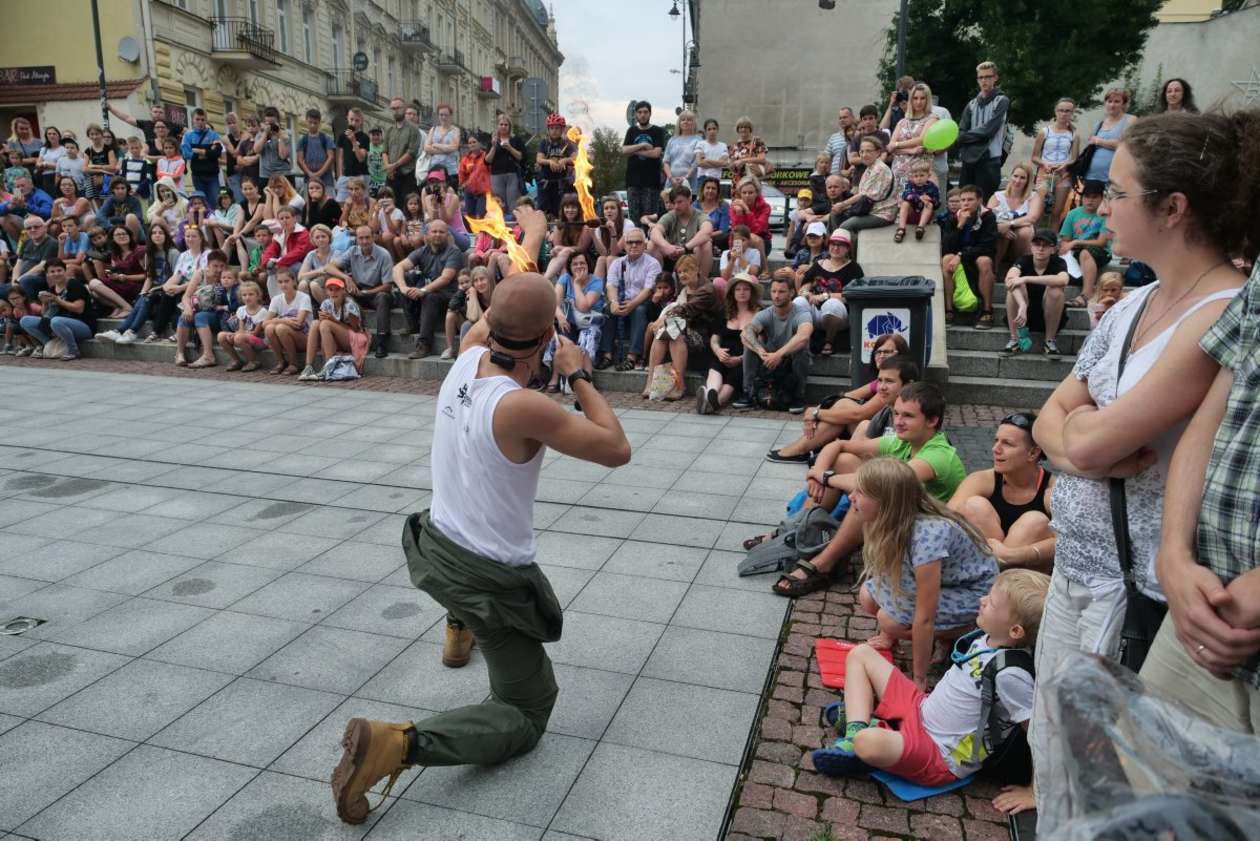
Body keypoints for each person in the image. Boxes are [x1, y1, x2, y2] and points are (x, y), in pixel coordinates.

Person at [329, 268, 632, 825]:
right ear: (547, 338)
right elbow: (616, 448)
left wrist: (532, 249)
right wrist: (578, 374)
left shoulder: (466, 356)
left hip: (435, 543)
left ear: (490, 321)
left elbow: (507, 311)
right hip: (483, 575)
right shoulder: (522, 406)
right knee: (527, 710)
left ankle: (457, 630)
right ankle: (396, 744)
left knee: (469, 567)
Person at [1027, 110, 1251, 832]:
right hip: (1078, 568)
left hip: (1134, 586)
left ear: (1172, 208)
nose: (1101, 206)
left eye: (1118, 193)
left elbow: (1084, 440)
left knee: (1118, 785)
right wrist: (1079, 442)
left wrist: (1080, 442)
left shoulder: (1220, 308)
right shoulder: (1137, 304)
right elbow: (1049, 418)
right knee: (1055, 750)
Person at [814, 566, 1044, 791]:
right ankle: (857, 733)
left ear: (1015, 631)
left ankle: (869, 732)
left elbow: (1038, 735)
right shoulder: (988, 637)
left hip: (937, 752)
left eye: (992, 602)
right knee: (860, 654)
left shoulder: (1011, 674)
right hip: (921, 707)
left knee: (869, 742)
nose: (983, 600)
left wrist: (1034, 793)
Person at [768, 383, 966, 597]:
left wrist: (825, 478)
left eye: (907, 416)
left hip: (930, 531)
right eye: (896, 413)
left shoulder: (937, 455)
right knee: (844, 461)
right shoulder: (904, 442)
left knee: (870, 495)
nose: (898, 421)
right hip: (905, 514)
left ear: (932, 420)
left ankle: (825, 563)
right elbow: (838, 445)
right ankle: (798, 531)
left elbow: (880, 485)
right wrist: (819, 470)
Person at [767, 333, 910, 463]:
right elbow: (846, 396)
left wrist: (817, 413)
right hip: (877, 435)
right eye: (878, 351)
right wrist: (816, 410)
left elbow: (859, 414)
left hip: (890, 440)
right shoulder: (880, 381)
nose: (881, 355)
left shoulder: (898, 385)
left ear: (901, 355)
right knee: (843, 403)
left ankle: (803, 449)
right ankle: (806, 448)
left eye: (888, 352)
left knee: (849, 411)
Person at [950, 414, 1055, 571]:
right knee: (974, 506)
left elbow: (1071, 542)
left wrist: (1012, 555)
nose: (995, 449)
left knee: (1034, 521)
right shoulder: (982, 480)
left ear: (1033, 453)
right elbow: (945, 519)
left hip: (1025, 580)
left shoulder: (1054, 490)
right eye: (996, 440)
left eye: (1008, 444)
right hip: (985, 566)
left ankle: (995, 581)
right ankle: (994, 582)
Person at [639, 255, 721, 401]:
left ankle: (679, 386)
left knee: (674, 335)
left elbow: (685, 309)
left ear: (697, 270)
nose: (682, 274)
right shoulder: (685, 289)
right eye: (680, 271)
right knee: (662, 335)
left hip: (705, 338)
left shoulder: (707, 290)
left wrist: (664, 318)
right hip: (686, 330)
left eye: (686, 271)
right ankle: (650, 383)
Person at [735, 271, 813, 413]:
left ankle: (798, 396)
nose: (776, 296)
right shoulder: (766, 313)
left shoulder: (802, 313)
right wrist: (760, 351)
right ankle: (748, 393)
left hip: (790, 360)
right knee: (749, 345)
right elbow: (746, 333)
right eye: (773, 291)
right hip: (768, 361)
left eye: (782, 292)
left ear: (791, 293)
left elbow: (804, 336)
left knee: (802, 349)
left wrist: (779, 355)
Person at [392, 219, 466, 359]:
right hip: (429, 293)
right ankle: (413, 324)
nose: (437, 234)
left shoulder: (454, 252)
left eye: (441, 232)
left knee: (430, 296)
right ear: (427, 234)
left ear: (447, 235)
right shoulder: (423, 251)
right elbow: (398, 267)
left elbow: (446, 278)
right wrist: (403, 288)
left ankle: (424, 345)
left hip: (450, 297)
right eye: (434, 231)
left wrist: (423, 290)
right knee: (405, 278)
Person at [323, 225, 395, 358]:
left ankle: (382, 341)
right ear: (356, 239)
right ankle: (348, 334)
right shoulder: (352, 251)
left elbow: (388, 285)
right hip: (358, 290)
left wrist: (367, 293)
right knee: (332, 282)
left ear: (373, 237)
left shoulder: (384, 254)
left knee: (383, 297)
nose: (364, 241)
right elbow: (328, 267)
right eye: (361, 238)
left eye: (367, 237)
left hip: (377, 291)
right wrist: (345, 277)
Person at [596, 226, 662, 371]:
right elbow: (611, 285)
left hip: (644, 304)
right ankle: (607, 355)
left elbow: (649, 289)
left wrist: (632, 304)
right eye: (630, 242)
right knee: (607, 310)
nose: (633, 245)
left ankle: (632, 356)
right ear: (624, 245)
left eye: (638, 242)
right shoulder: (617, 263)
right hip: (621, 301)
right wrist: (613, 303)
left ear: (645, 245)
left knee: (639, 310)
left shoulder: (652, 264)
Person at [699, 272, 761, 414]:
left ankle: (713, 403)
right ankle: (710, 394)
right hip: (722, 356)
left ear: (752, 292)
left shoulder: (759, 314)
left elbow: (760, 344)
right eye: (738, 289)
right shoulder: (725, 312)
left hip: (743, 361)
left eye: (746, 289)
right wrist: (718, 351)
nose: (742, 293)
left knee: (733, 378)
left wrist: (739, 359)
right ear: (732, 293)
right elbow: (714, 338)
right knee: (715, 367)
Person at [1003, 229, 1069, 356]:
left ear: (1053, 249)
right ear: (1031, 246)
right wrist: (1022, 305)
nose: (1040, 248)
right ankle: (1014, 339)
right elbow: (1009, 280)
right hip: (1021, 317)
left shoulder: (1058, 262)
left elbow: (1063, 280)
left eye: (1045, 245)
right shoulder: (1023, 260)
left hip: (1049, 318)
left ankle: (1049, 341)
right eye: (1037, 244)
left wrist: (1026, 278)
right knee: (1014, 287)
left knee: (1055, 289)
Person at [797, 229, 862, 355]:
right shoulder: (818, 264)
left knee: (832, 304)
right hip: (815, 312)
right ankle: (800, 340)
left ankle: (829, 341)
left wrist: (824, 296)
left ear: (847, 249)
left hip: (839, 316)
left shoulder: (854, 268)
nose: (836, 248)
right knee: (799, 301)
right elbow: (805, 286)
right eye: (833, 244)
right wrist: (806, 294)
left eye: (840, 245)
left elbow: (851, 295)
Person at [942, 184, 998, 327]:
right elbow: (947, 247)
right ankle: (949, 310)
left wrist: (961, 255)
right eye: (963, 200)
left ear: (979, 200)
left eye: (970, 199)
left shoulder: (988, 217)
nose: (966, 203)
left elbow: (987, 246)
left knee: (984, 261)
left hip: (976, 257)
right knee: (947, 259)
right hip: (958, 261)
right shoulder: (953, 218)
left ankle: (987, 311)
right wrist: (960, 225)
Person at [18, 259, 96, 360]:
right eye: (52, 272)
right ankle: (49, 345)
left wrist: (57, 300)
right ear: (47, 274)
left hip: (84, 326)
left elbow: (79, 309)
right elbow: (44, 315)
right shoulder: (52, 289)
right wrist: (44, 302)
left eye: (59, 270)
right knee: (25, 320)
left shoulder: (74, 284)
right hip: (59, 325)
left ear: (65, 271)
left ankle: (73, 351)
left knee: (56, 321)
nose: (56, 274)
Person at [956, 63, 1010, 200]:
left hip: (990, 159)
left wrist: (965, 137)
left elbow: (989, 130)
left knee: (985, 203)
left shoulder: (1001, 100)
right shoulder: (971, 104)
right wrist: (965, 137)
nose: (984, 81)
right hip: (969, 159)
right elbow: (960, 132)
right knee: (965, 201)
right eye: (980, 77)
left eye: (988, 77)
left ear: (995, 77)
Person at [299, 276, 363, 380]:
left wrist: (333, 320)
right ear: (326, 291)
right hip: (335, 337)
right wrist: (323, 320)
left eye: (337, 289)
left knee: (325, 324)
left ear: (343, 290)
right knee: (315, 323)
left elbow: (355, 330)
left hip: (354, 339)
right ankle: (308, 366)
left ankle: (329, 367)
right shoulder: (326, 303)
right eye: (330, 289)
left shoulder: (350, 304)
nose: (334, 292)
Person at [175, 248, 229, 368]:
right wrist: (188, 308)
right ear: (208, 264)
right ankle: (180, 353)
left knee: (200, 316)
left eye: (222, 266)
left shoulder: (226, 276)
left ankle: (208, 356)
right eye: (215, 266)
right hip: (198, 309)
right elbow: (186, 296)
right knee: (184, 316)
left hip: (217, 315)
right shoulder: (200, 273)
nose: (219, 269)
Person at [834, 135, 897, 237]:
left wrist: (843, 204)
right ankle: (832, 247)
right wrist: (842, 206)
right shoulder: (870, 168)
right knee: (834, 215)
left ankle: (849, 252)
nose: (864, 154)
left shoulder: (879, 169)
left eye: (868, 151)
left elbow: (863, 195)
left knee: (846, 226)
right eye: (862, 151)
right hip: (869, 210)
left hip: (882, 214)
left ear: (877, 152)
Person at [1059, 180, 1111, 305]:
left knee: (1085, 253)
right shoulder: (1072, 214)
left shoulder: (1105, 215)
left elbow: (1101, 242)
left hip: (1100, 252)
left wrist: (1076, 241)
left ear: (1102, 198)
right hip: (1075, 252)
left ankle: (1086, 294)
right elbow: (1065, 242)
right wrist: (1068, 246)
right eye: (1087, 197)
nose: (1090, 200)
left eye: (1094, 197)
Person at [1031, 98, 1079, 229]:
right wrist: (1044, 164)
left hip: (1063, 174)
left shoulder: (1074, 134)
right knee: (1037, 210)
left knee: (1057, 212)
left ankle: (1052, 241)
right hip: (1045, 173)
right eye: (1061, 110)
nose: (1064, 114)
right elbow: (1034, 156)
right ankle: (1032, 240)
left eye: (1068, 111)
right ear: (1055, 111)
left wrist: (1065, 165)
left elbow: (1074, 158)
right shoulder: (1044, 132)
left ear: (1072, 113)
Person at [649, 184, 714, 277]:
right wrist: (666, 246)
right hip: (671, 253)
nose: (676, 206)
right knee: (652, 244)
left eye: (680, 202)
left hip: (692, 254)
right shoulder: (670, 216)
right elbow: (655, 232)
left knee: (706, 245)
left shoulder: (701, 216)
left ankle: (701, 282)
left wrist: (685, 248)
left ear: (689, 199)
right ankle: (659, 281)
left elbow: (707, 232)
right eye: (674, 203)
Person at [888, 83, 939, 196]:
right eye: (915, 98)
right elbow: (890, 147)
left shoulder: (932, 118)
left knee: (919, 205)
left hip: (920, 172)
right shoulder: (903, 121)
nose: (918, 102)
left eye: (922, 98)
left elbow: (921, 140)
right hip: (899, 172)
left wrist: (897, 144)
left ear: (927, 100)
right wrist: (910, 150)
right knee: (898, 208)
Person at [622, 101, 665, 230]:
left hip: (651, 182)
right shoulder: (632, 130)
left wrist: (634, 150)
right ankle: (634, 243)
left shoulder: (657, 131)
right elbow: (624, 150)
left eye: (645, 112)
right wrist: (643, 145)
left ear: (650, 113)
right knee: (634, 219)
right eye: (640, 112)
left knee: (649, 217)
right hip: (633, 182)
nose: (643, 115)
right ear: (636, 115)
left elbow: (656, 153)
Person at [263, 269, 313, 375]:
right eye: (280, 282)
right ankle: (281, 362)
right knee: (269, 328)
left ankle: (294, 363)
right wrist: (282, 320)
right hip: (286, 337)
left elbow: (298, 323)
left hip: (305, 337)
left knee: (280, 328)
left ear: (294, 281)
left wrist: (277, 320)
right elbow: (265, 323)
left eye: (286, 281)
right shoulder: (276, 299)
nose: (283, 284)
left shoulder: (304, 297)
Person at [217, 279, 270, 371]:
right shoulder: (241, 310)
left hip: (260, 341)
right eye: (244, 295)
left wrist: (237, 335)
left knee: (238, 338)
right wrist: (234, 334)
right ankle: (236, 361)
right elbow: (241, 329)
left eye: (251, 294)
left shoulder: (262, 312)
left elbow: (255, 333)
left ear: (258, 296)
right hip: (244, 337)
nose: (247, 297)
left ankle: (253, 361)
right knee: (221, 336)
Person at [1, 214, 58, 300]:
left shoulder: (52, 243)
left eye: (36, 227)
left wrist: (19, 280)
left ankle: (31, 306)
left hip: (38, 279)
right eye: (29, 228)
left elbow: (42, 266)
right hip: (20, 280)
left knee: (26, 281)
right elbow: (18, 264)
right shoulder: (26, 242)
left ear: (44, 228)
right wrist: (14, 281)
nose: (33, 230)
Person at [446, 266, 494, 359]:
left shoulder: (497, 293)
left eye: (482, 279)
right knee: (467, 325)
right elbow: (473, 317)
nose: (479, 283)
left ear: (489, 279)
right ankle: (463, 357)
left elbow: (487, 323)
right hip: (482, 331)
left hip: (496, 331)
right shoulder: (472, 294)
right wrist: (473, 295)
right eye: (475, 281)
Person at [535, 113, 577, 220]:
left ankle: (559, 231)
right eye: (552, 128)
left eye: (557, 128)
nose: (554, 131)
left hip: (560, 183)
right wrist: (549, 162)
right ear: (548, 129)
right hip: (545, 182)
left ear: (562, 129)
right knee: (543, 210)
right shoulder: (544, 143)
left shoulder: (567, 143)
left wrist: (565, 160)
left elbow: (576, 158)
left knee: (559, 209)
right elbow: (539, 159)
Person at [895, 160, 941, 243]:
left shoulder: (932, 187)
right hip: (911, 214)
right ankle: (901, 228)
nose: (919, 178)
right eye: (916, 176)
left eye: (922, 175)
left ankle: (920, 228)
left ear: (928, 176)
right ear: (912, 177)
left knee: (929, 205)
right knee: (905, 203)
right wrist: (919, 198)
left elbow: (938, 203)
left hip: (924, 215)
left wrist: (930, 200)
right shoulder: (910, 185)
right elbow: (906, 195)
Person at [486, 115, 526, 210]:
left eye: (506, 125)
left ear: (509, 127)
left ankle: (513, 223)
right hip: (496, 175)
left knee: (513, 202)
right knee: (499, 203)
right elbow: (487, 161)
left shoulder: (516, 140)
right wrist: (494, 146)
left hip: (512, 174)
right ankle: (500, 223)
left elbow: (522, 157)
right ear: (497, 126)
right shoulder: (492, 141)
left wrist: (510, 148)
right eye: (501, 124)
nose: (503, 127)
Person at [181, 108, 222, 199]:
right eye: (197, 119)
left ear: (206, 120)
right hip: (197, 176)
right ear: (192, 120)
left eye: (203, 120)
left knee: (215, 202)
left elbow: (217, 152)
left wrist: (201, 151)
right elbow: (186, 154)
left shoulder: (214, 135)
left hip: (213, 175)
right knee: (202, 203)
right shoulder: (187, 136)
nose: (200, 122)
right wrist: (208, 153)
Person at [846, 105, 890, 184]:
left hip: (879, 178)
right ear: (862, 121)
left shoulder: (884, 135)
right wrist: (871, 158)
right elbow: (852, 160)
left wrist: (863, 158)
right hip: (859, 179)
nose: (868, 121)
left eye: (871, 118)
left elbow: (885, 156)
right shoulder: (857, 138)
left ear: (876, 119)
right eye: (865, 119)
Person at [335, 107, 370, 202]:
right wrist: (340, 175)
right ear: (347, 118)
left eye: (357, 120)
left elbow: (361, 158)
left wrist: (354, 141)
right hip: (346, 176)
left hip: (361, 175)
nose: (354, 123)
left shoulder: (364, 137)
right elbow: (340, 158)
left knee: (361, 204)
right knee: (340, 202)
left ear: (361, 121)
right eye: (351, 119)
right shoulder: (342, 136)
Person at [296, 108, 335, 193]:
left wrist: (319, 174)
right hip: (309, 180)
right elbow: (299, 160)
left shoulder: (326, 138)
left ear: (319, 123)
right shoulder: (302, 140)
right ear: (306, 121)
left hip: (326, 179)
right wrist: (310, 174)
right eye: (310, 122)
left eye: (315, 123)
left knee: (328, 203)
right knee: (311, 204)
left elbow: (331, 157)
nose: (312, 125)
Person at [664, 110, 701, 191]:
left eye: (689, 120)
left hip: (690, 183)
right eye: (683, 119)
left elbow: (696, 163)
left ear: (694, 123)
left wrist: (685, 178)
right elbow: (666, 162)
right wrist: (671, 178)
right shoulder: (672, 140)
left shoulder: (699, 140)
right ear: (679, 123)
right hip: (671, 183)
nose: (686, 122)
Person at [424, 104, 462, 181]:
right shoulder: (433, 129)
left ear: (450, 116)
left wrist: (435, 145)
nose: (443, 117)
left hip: (451, 170)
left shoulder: (455, 130)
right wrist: (446, 149)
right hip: (434, 168)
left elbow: (454, 147)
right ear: (438, 115)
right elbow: (426, 148)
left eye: (446, 115)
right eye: (441, 115)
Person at [254, 107, 291, 184]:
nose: (270, 126)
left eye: (272, 123)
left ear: (277, 122)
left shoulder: (283, 135)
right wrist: (265, 133)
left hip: (282, 174)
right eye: (268, 124)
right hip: (265, 175)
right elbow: (256, 150)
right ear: (264, 123)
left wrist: (279, 136)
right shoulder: (260, 135)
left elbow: (283, 155)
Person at [459, 134, 491, 219]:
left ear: (480, 143)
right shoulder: (465, 159)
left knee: (480, 216)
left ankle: (480, 232)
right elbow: (462, 174)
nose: (472, 144)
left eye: (474, 142)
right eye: (469, 143)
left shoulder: (486, 156)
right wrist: (463, 184)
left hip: (483, 192)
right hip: (469, 191)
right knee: (470, 217)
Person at [695, 118, 729, 183]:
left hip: (719, 179)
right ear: (705, 131)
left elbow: (724, 163)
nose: (712, 131)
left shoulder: (723, 145)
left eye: (714, 129)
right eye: (709, 129)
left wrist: (707, 160)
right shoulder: (700, 144)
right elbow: (699, 162)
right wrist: (718, 163)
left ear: (717, 130)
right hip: (703, 178)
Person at [824, 108, 856, 176]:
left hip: (853, 177)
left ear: (853, 118)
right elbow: (826, 158)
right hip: (834, 179)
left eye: (845, 117)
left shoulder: (858, 135)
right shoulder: (833, 137)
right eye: (840, 118)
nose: (842, 120)